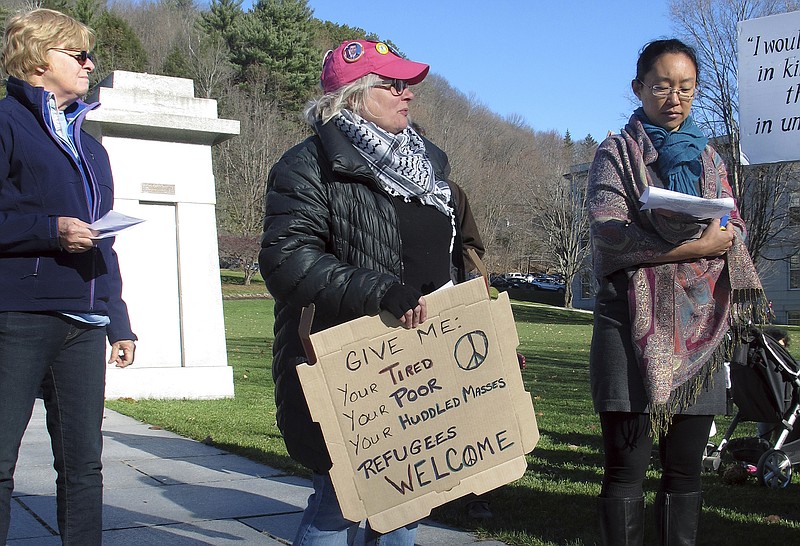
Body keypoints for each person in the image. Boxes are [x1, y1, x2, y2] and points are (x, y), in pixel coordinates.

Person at [259, 39, 478, 545]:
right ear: (354, 94)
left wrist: (472, 318)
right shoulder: (308, 165)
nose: (408, 94)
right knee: (340, 502)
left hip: (424, 357)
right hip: (352, 362)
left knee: (407, 501)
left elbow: (447, 256)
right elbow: (287, 262)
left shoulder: (429, 167)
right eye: (394, 84)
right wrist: (378, 291)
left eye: (409, 84)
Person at [587, 39, 765, 546]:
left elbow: (736, 228)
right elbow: (610, 236)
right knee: (626, 470)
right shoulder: (616, 153)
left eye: (685, 87)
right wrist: (698, 244)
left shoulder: (710, 157)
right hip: (628, 329)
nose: (674, 98)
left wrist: (722, 235)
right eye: (662, 86)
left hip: (699, 332)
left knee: (685, 474)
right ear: (639, 88)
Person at [0, 9, 136, 545]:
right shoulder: (6, 124)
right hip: (19, 316)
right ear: (38, 59)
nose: (90, 64)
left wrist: (118, 320)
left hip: (85, 322)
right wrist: (50, 231)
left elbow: (104, 240)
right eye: (78, 55)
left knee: (84, 465)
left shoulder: (91, 147)